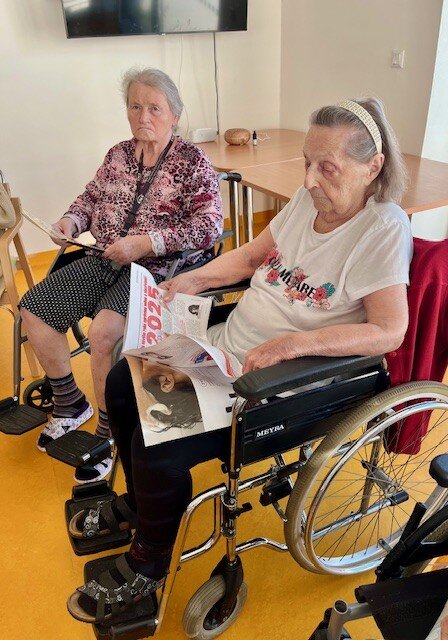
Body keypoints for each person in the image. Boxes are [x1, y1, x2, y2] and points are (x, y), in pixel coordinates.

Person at [66, 97, 413, 623]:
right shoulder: (306, 203)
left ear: (373, 167)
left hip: (277, 383)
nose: (309, 180)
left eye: (327, 168)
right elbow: (251, 257)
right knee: (121, 383)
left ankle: (151, 560)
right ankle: (141, 507)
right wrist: (192, 279)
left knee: (159, 443)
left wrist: (290, 345)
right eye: (306, 162)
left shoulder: (382, 229)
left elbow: (389, 330)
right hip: (226, 349)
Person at [19, 67, 223, 483]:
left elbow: (210, 225)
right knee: (33, 310)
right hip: (103, 257)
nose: (143, 116)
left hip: (154, 268)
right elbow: (90, 198)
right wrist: (70, 222)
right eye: (135, 107)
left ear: (175, 114)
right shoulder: (118, 154)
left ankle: (108, 432)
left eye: (154, 108)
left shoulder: (192, 161)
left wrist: (148, 242)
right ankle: (70, 403)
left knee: (104, 333)